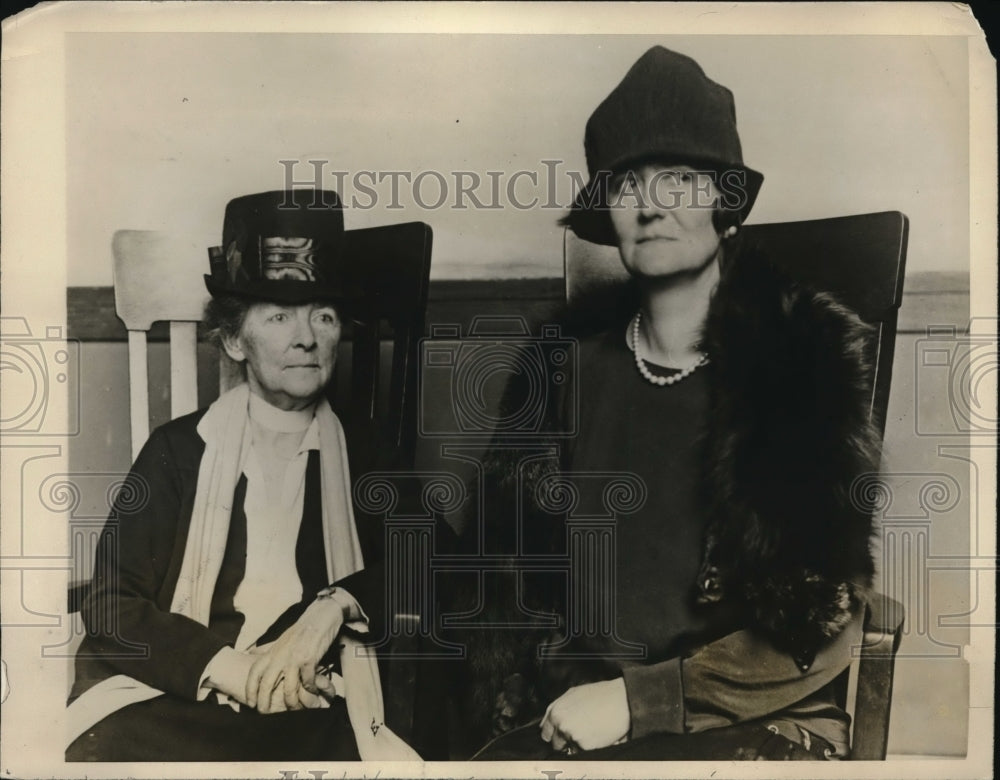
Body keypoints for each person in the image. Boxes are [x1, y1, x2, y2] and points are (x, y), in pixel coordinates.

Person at [463, 46, 881, 761]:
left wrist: (640, 702)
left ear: (724, 204)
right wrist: (343, 600)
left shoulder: (794, 372)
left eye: (681, 180)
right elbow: (486, 561)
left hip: (741, 719)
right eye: (628, 184)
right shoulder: (564, 373)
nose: (653, 204)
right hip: (577, 712)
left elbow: (822, 621)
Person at [66, 190, 418, 762]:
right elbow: (110, 601)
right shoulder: (177, 451)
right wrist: (226, 668)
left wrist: (333, 608)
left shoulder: (366, 455)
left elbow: (429, 559)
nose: (306, 336)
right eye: (279, 315)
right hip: (187, 691)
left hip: (308, 697)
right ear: (234, 340)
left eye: (323, 315)